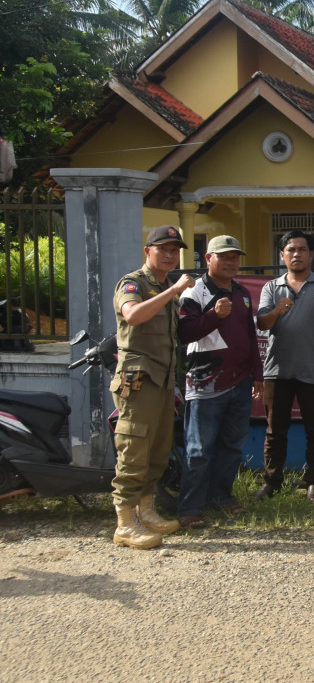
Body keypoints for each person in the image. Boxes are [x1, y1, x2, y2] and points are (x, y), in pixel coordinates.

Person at [109, 225, 195, 549]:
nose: (171, 255)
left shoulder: (165, 286)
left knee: (157, 451)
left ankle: (146, 511)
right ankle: (125, 523)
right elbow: (132, 315)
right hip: (138, 379)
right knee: (134, 449)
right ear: (148, 252)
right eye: (164, 249)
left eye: (175, 250)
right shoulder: (134, 283)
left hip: (161, 381)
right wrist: (173, 292)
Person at [178, 235, 263, 528]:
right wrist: (213, 316)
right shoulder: (195, 292)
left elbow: (250, 337)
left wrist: (257, 375)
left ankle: (221, 497)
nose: (231, 262)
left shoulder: (241, 292)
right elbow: (185, 333)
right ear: (208, 259)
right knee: (199, 449)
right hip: (206, 383)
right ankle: (190, 507)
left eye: (235, 257)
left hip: (240, 382)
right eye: (224, 256)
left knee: (232, 446)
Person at [256, 230, 314, 502]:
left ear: (311, 253)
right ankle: (272, 481)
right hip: (277, 370)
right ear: (282, 255)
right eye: (290, 249)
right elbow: (262, 324)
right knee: (274, 429)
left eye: (302, 249)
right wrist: (277, 311)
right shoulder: (271, 287)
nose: (296, 254)